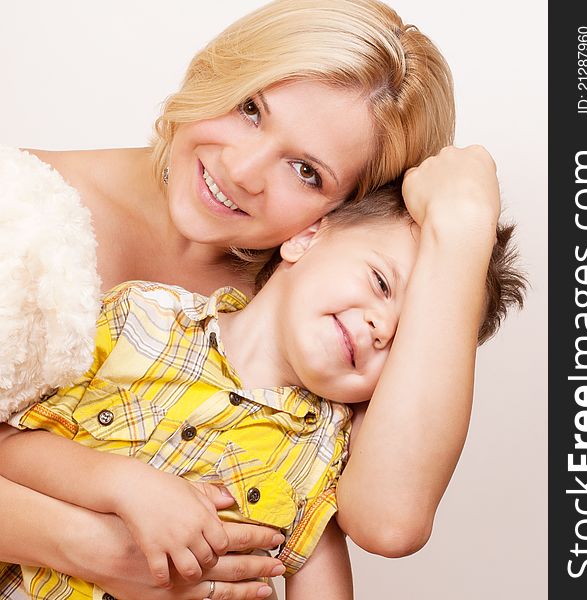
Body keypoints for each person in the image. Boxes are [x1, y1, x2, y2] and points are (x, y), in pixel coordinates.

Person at [0, 1, 507, 598]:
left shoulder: (311, 358)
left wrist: (464, 232)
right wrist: (100, 549)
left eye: (307, 171)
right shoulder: (22, 216)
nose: (243, 170)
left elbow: (389, 519)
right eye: (250, 109)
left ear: (332, 217)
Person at [0, 183, 525, 600]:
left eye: (405, 340)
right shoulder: (141, 316)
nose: (381, 327)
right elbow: (8, 445)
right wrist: (122, 484)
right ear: (307, 237)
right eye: (381, 283)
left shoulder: (327, 458)